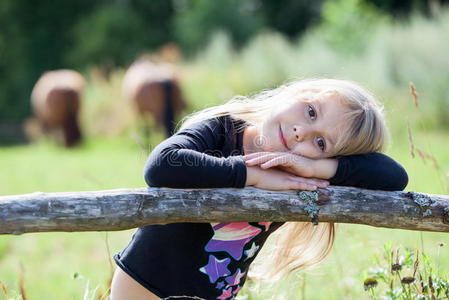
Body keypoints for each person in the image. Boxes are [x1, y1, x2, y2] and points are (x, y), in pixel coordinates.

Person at [110, 78, 408, 300]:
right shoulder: (221, 129)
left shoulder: (299, 174)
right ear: (296, 92)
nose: (300, 132)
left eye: (320, 143)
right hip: (144, 285)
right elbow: (161, 164)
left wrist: (319, 168)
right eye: (311, 112)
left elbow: (395, 177)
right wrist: (250, 174)